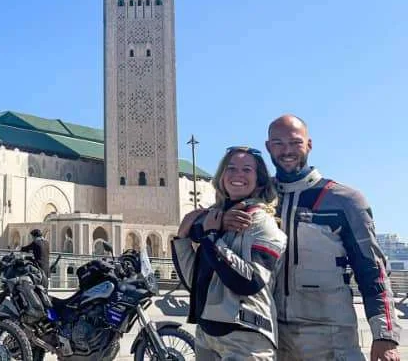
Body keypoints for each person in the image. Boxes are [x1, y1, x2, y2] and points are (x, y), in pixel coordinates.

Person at [224, 115, 401, 360]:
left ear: (309, 144)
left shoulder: (344, 200)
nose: (286, 151)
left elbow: (372, 270)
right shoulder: (256, 200)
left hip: (331, 340)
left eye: (295, 143)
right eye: (278, 143)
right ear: (267, 147)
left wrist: (385, 335)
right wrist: (219, 220)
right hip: (269, 336)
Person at [172, 146, 287, 360]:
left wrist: (212, 238)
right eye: (231, 168)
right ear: (222, 175)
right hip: (207, 335)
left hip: (245, 338)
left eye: (246, 170)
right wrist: (182, 239)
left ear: (259, 180)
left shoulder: (261, 221)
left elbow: (249, 281)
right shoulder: (214, 219)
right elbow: (194, 282)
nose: (237, 175)